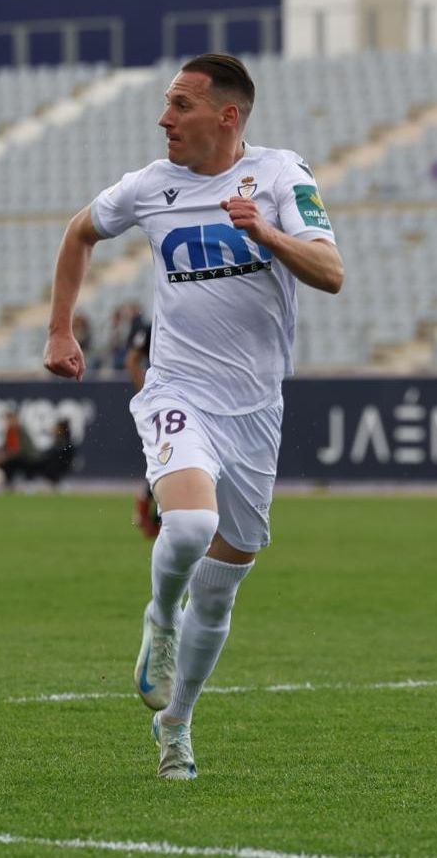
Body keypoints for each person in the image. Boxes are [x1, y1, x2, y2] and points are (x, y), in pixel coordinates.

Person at [42, 53, 344, 781]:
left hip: (256, 409)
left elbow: (331, 273)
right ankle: (157, 622)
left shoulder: (280, 177)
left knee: (221, 589)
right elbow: (81, 232)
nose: (164, 118)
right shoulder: (151, 186)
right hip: (177, 389)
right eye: (166, 103)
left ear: (226, 115)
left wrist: (267, 235)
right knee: (189, 527)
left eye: (180, 105)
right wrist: (60, 329)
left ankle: (176, 725)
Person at [124, 315, 161, 539]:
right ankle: (150, 510)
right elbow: (132, 359)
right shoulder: (154, 326)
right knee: (166, 455)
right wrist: (144, 395)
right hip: (165, 404)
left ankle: (147, 505)